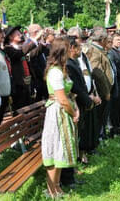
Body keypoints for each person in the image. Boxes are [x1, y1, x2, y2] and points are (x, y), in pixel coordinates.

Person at [41, 38, 79, 198]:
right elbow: (62, 99)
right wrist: (73, 112)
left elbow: (68, 95)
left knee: (59, 149)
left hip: (62, 111)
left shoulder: (60, 69)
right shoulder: (55, 72)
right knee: (55, 149)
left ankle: (55, 186)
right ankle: (52, 189)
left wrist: (74, 105)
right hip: (58, 113)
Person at [4, 26, 41, 111]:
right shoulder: (8, 49)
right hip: (18, 86)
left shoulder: (20, 47)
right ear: (10, 37)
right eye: (17, 34)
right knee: (20, 110)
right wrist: (35, 39)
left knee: (29, 109)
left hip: (27, 83)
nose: (20, 35)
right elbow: (19, 54)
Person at [85, 27, 113, 138]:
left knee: (103, 117)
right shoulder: (94, 51)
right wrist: (106, 91)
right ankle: (97, 139)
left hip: (105, 90)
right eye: (106, 38)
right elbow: (97, 73)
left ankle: (101, 136)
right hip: (101, 92)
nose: (108, 40)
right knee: (99, 117)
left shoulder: (100, 50)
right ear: (102, 39)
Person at [25, 24, 49, 102]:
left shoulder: (39, 43)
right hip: (37, 81)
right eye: (42, 31)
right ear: (36, 32)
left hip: (43, 80)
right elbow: (32, 55)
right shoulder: (28, 44)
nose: (44, 33)